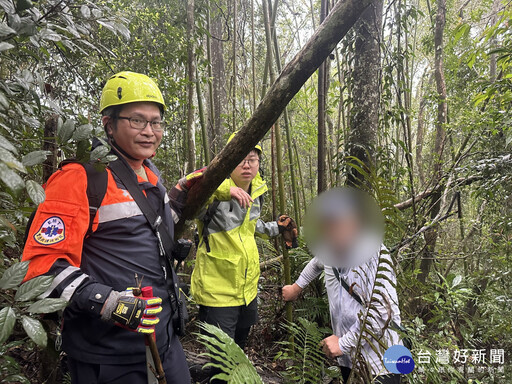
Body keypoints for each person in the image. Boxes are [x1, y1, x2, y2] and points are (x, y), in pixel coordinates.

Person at [22, 71, 194, 384]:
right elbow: (41, 267)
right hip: (108, 355)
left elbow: (145, 228)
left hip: (165, 342)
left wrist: (178, 198)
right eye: (137, 120)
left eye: (156, 122)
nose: (149, 131)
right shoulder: (80, 178)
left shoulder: (150, 174)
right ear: (108, 124)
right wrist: (107, 302)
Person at [189, 132, 297, 353]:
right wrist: (224, 190)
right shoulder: (211, 189)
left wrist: (277, 228)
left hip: (247, 290)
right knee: (221, 360)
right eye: (240, 159)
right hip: (217, 293)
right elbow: (189, 192)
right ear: (228, 161)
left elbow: (250, 226)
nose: (247, 165)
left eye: (252, 159)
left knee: (237, 354)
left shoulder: (256, 190)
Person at [282, 187, 402, 384]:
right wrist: (297, 287)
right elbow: (317, 263)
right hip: (349, 358)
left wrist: (343, 343)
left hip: (381, 360)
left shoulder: (374, 255)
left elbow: (382, 313)